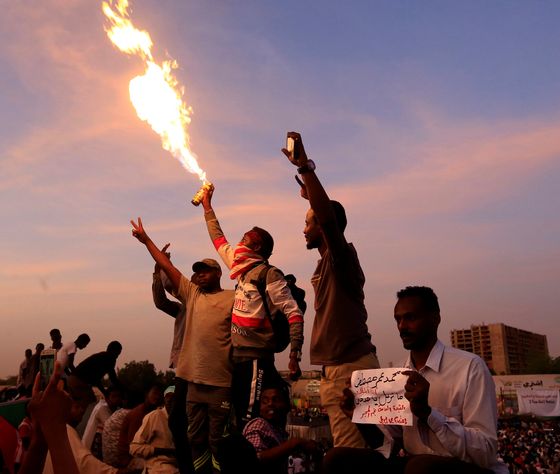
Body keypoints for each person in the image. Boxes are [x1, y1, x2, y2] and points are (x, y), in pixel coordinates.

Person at [323, 286, 507, 474]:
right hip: (415, 464)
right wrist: (359, 416)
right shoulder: (398, 377)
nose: (402, 326)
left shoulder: (470, 368)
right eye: (398, 319)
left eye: (410, 318)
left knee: (419, 467)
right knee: (337, 458)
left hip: (467, 467)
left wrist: (428, 413)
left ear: (435, 319)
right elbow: (389, 447)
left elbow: (485, 452)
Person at [282, 132, 379, 448]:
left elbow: (329, 220)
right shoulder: (325, 266)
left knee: (352, 460)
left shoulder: (343, 259)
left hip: (350, 372)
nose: (304, 228)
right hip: (338, 372)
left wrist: (306, 169)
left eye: (309, 222)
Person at [131, 217, 233, 474]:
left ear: (218, 273)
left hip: (221, 381)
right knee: (193, 436)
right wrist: (147, 242)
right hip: (191, 379)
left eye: (205, 270)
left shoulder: (232, 298)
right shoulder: (191, 296)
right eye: (196, 271)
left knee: (219, 439)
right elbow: (168, 269)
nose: (199, 274)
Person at [200, 185, 304, 427]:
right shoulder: (241, 270)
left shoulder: (268, 274)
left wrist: (294, 355)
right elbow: (219, 240)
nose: (239, 242)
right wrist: (207, 207)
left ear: (256, 248)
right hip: (236, 360)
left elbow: (294, 313)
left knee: (252, 421)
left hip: (257, 360)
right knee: (236, 422)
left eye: (245, 239)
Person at [151, 244, 195, 474]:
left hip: (203, 368)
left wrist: (162, 265)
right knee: (179, 420)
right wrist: (159, 268)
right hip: (183, 366)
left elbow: (174, 285)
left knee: (191, 420)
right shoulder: (183, 309)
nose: (196, 278)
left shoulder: (204, 303)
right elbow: (161, 299)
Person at [242, 383, 318, 474]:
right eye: (265, 401)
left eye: (276, 400)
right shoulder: (259, 424)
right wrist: (294, 443)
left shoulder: (278, 430)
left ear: (286, 406)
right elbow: (255, 458)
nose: (270, 404)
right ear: (260, 409)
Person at [129, 385, 179, 473]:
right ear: (164, 399)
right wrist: (165, 451)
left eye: (174, 397)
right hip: (159, 466)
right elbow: (134, 448)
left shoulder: (184, 419)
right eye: (167, 396)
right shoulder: (154, 416)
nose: (170, 400)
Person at [116, 385, 164, 470]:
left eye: (160, 395)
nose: (157, 397)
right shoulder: (138, 414)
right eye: (155, 393)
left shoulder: (154, 412)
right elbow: (134, 447)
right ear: (146, 394)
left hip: (139, 451)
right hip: (128, 458)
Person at [81, 387, 123, 459]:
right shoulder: (102, 408)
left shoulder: (108, 407)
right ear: (107, 399)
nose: (117, 399)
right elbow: (113, 427)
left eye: (118, 396)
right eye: (113, 396)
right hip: (90, 449)